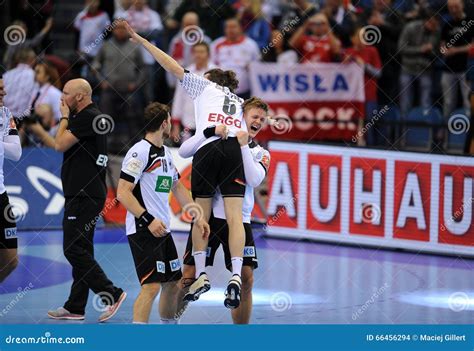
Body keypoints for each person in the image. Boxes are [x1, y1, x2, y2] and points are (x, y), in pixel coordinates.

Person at [125, 21, 248, 309]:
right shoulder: (238, 102)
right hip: (233, 150)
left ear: (211, 79)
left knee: (200, 216)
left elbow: (171, 65)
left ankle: (202, 273)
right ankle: (235, 277)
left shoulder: (205, 86)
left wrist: (143, 42)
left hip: (207, 151)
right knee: (235, 218)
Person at [177, 97, 270, 322]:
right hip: (208, 219)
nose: (258, 121)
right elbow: (186, 151)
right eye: (254, 116)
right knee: (188, 275)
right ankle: (170, 322)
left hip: (239, 220)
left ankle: (240, 335)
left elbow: (254, 179)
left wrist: (244, 145)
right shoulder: (217, 140)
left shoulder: (261, 152)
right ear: (241, 117)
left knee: (247, 278)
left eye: (262, 119)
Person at [117, 102, 209, 324]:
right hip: (144, 229)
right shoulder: (139, 152)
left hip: (162, 230)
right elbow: (122, 192)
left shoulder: (166, 153)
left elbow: (177, 187)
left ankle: (169, 330)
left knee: (171, 283)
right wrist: (147, 220)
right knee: (151, 287)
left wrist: (198, 215)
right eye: (170, 119)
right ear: (165, 123)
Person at [48, 78, 126, 322]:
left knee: (72, 249)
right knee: (83, 249)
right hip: (88, 193)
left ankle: (111, 293)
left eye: (66, 93)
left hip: (83, 194)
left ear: (80, 97)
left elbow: (58, 144)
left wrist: (62, 117)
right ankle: (76, 306)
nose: (63, 98)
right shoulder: (92, 117)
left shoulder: (84, 117)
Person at [93, 20, 146, 154]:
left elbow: (143, 68)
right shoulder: (106, 46)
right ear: (112, 30)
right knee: (104, 116)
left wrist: (136, 84)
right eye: (117, 28)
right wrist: (101, 81)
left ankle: (136, 148)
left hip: (128, 89)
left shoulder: (135, 46)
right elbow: (95, 66)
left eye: (123, 28)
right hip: (109, 88)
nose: (120, 31)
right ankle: (104, 145)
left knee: (133, 117)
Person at [171, 42, 217, 143]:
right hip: (188, 123)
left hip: (209, 123)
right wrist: (175, 124)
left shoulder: (216, 72)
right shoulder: (186, 72)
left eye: (201, 52)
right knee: (186, 155)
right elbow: (178, 97)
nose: (198, 55)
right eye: (196, 52)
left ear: (208, 54)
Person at [0, 79, 22, 283]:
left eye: (3, 88)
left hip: (1, 195)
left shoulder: (5, 114)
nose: (3, 93)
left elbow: (16, 153)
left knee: (11, 261)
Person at [398, 9, 440, 117]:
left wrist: (433, 51)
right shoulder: (410, 28)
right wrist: (420, 49)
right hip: (407, 68)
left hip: (425, 70)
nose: (435, 27)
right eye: (433, 24)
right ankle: (404, 131)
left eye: (436, 25)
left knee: (426, 102)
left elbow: (438, 54)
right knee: (405, 102)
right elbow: (401, 48)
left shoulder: (436, 31)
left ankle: (425, 130)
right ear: (426, 21)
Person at [211, 18, 261, 99]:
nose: (231, 30)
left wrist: (252, 66)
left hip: (245, 91)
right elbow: (211, 66)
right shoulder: (216, 44)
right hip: (222, 91)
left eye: (234, 27)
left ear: (240, 28)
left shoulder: (251, 45)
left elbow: (258, 66)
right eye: (228, 27)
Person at [441, 0, 473, 117]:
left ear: (462, 6)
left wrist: (456, 50)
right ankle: (445, 132)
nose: (453, 10)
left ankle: (468, 132)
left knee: (468, 101)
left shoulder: (470, 22)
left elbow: (473, 46)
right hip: (448, 68)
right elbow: (442, 47)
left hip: (466, 69)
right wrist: (445, 52)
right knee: (448, 102)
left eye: (456, 6)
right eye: (450, 7)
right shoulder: (446, 25)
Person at [166, 11, 211, 89]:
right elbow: (168, 60)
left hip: (199, 83)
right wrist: (171, 82)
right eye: (187, 24)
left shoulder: (205, 41)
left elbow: (210, 61)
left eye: (192, 24)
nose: (189, 27)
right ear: (182, 25)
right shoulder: (176, 41)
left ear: (198, 24)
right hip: (179, 82)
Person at [2, 48, 37, 121]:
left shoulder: (7, 75)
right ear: (31, 59)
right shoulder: (34, 76)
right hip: (24, 120)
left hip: (5, 117)